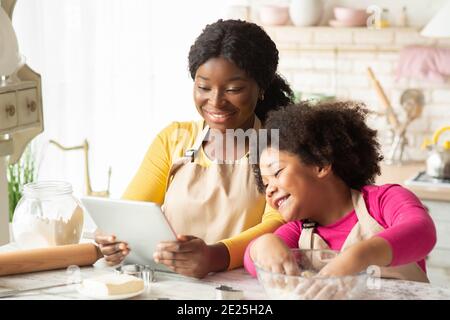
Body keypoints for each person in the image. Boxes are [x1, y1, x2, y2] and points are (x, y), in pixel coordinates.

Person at [95, 19, 294, 278]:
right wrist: (113, 238)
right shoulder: (174, 139)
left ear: (261, 88)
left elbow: (278, 223)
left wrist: (214, 256)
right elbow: (131, 213)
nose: (215, 101)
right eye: (203, 87)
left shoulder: (278, 146)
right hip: (169, 284)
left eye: (233, 89)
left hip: (241, 290)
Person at [245, 101, 436, 285]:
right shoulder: (299, 230)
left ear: (320, 164)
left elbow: (422, 231)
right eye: (265, 183)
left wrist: (360, 256)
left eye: (277, 172)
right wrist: (262, 246)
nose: (269, 190)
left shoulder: (382, 201)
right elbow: (252, 263)